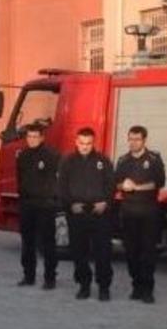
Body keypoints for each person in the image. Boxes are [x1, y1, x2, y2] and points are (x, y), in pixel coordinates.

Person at [58, 127, 115, 301]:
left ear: (93, 143)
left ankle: (104, 287)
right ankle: (84, 285)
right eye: (82, 143)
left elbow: (111, 185)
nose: (85, 146)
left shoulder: (103, 161)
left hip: (100, 214)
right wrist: (70, 205)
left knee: (103, 253)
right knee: (79, 252)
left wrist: (105, 202)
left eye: (88, 143)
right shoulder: (67, 162)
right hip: (77, 213)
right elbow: (61, 187)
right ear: (76, 142)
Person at [114, 125, 166, 303]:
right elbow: (116, 183)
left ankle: (147, 289)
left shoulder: (153, 159)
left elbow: (159, 182)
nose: (133, 143)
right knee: (131, 251)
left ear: (144, 140)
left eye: (136, 139)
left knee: (148, 252)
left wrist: (137, 187)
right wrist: (123, 186)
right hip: (128, 211)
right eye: (130, 139)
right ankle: (136, 285)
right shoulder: (123, 160)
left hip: (148, 211)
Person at [15, 122, 60, 288]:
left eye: (35, 136)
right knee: (27, 242)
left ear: (42, 137)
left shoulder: (52, 155)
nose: (32, 140)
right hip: (27, 204)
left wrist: (52, 199)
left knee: (48, 242)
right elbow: (20, 178)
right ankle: (28, 276)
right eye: (29, 136)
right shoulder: (22, 155)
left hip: (46, 205)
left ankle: (50, 278)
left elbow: (57, 180)